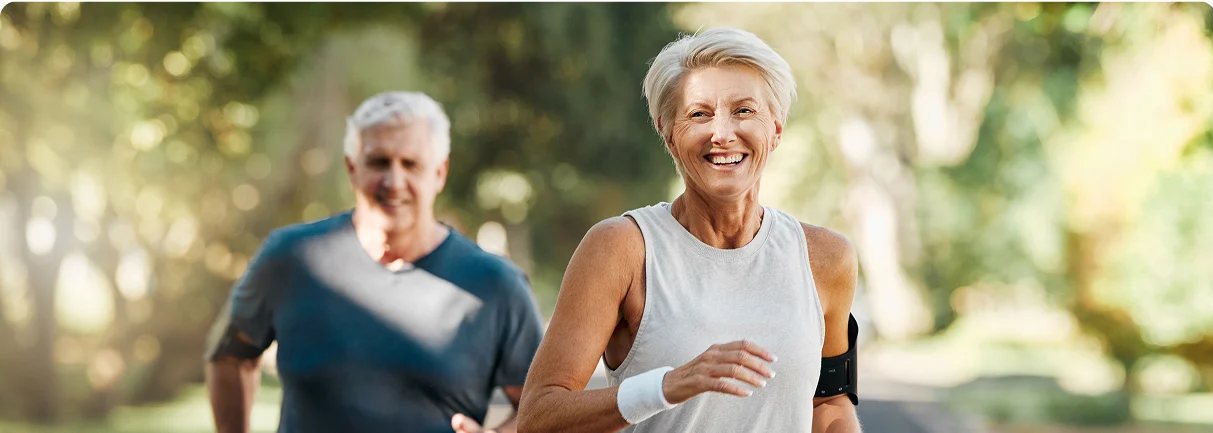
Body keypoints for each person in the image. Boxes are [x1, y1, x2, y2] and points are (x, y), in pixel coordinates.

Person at [516, 27, 863, 432]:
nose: (722, 133)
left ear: (776, 129)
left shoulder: (825, 258)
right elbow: (539, 417)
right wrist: (666, 386)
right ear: (668, 132)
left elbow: (830, 404)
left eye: (744, 111)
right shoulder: (621, 249)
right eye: (699, 114)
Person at [204, 91, 545, 433]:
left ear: (439, 173)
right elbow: (231, 356)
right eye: (379, 162)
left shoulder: (497, 284)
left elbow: (545, 408)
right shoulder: (291, 258)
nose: (394, 182)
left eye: (411, 164)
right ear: (352, 168)